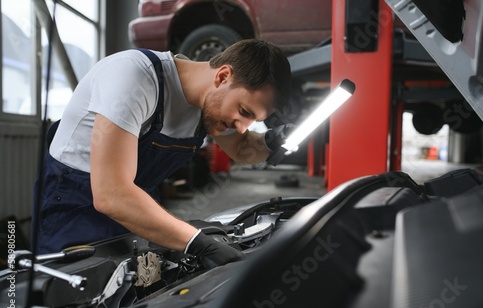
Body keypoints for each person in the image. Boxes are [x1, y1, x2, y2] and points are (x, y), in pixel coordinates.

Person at [31, 39, 291, 269]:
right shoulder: (135, 78)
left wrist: (272, 141)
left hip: (135, 211)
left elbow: (242, 150)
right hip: (74, 208)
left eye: (254, 119)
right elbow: (110, 195)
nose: (243, 127)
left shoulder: (209, 104)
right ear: (223, 76)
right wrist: (196, 242)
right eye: (245, 111)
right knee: (69, 304)